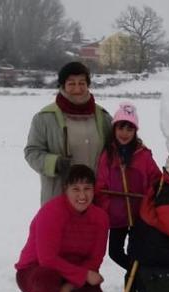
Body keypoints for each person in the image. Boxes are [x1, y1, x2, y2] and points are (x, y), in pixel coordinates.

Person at [15, 165, 109, 292]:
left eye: (87, 188)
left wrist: (68, 288)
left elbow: (94, 259)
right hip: (35, 271)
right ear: (65, 189)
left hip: (69, 273)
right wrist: (81, 276)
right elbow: (47, 259)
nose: (82, 196)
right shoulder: (51, 212)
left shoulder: (100, 218)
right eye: (76, 189)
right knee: (46, 281)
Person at [95, 102, 161, 292]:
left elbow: (156, 179)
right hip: (117, 217)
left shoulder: (143, 154)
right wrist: (109, 206)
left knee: (135, 252)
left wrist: (147, 198)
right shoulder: (107, 155)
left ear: (135, 130)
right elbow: (100, 185)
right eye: (120, 127)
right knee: (115, 252)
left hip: (139, 215)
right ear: (114, 128)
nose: (124, 133)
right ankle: (137, 273)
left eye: (129, 128)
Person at [25, 61, 112, 204]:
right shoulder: (45, 118)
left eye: (82, 83)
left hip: (94, 199)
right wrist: (55, 163)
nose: (77, 89)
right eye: (71, 83)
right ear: (62, 85)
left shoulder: (103, 117)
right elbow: (32, 152)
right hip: (59, 196)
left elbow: (118, 147)